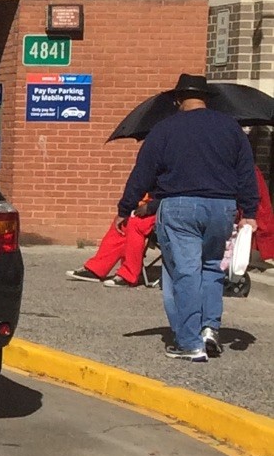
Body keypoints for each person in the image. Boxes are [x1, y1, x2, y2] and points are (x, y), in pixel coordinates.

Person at [113, 74, 260, 362]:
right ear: (206, 99)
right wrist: (250, 212)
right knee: (212, 267)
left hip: (179, 206)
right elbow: (246, 172)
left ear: (178, 99)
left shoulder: (164, 129)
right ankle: (209, 329)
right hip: (222, 206)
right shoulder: (230, 127)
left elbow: (143, 172)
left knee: (185, 272)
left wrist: (125, 207)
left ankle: (189, 341)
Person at [68, 198, 155, 287]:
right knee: (122, 223)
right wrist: (124, 212)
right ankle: (97, 268)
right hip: (153, 204)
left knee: (136, 224)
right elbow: (135, 191)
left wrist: (151, 207)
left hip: (162, 209)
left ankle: (129, 275)